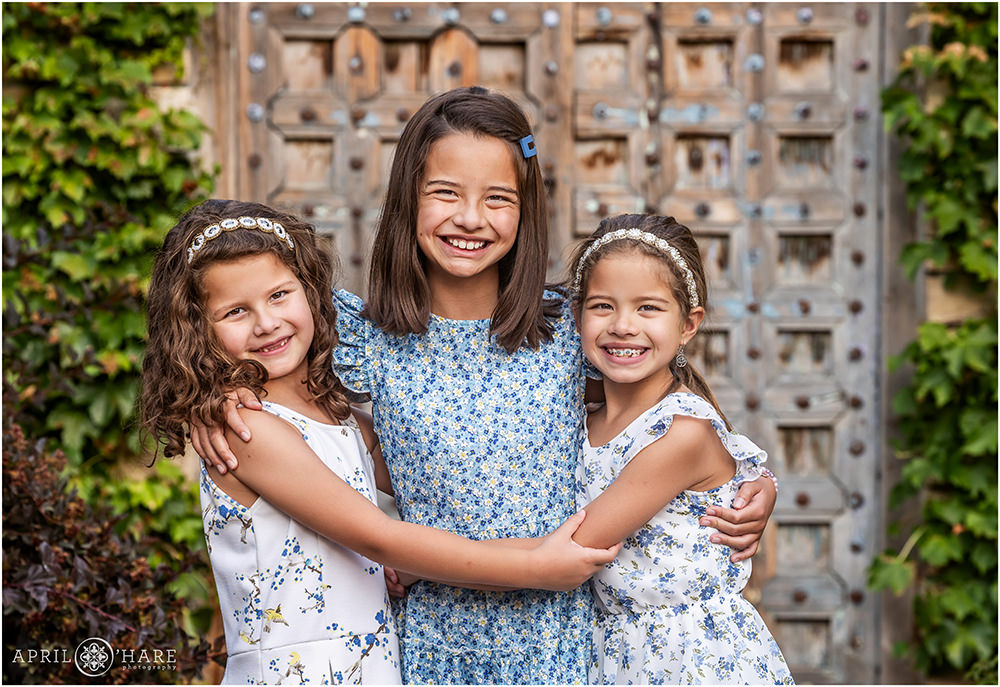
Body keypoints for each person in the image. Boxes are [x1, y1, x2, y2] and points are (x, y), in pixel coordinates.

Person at [194, 88, 777, 684]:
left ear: (526, 209)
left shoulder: (571, 330)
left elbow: (657, 425)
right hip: (432, 642)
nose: (470, 218)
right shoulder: (364, 338)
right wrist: (217, 399)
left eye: (497, 198)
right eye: (445, 193)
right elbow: (273, 368)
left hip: (560, 640)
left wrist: (752, 484)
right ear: (407, 200)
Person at [140, 199, 620, 685]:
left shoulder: (339, 417)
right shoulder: (246, 428)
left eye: (279, 295)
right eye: (236, 311)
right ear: (197, 331)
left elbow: (436, 477)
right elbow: (379, 537)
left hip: (370, 667)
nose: (266, 323)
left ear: (311, 292)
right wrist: (535, 567)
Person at [567, 214, 794, 684]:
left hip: (688, 658)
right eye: (602, 306)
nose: (622, 325)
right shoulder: (582, 417)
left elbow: (574, 546)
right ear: (577, 315)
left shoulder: (680, 432)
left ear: (689, 325)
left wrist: (426, 563)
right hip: (618, 650)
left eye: (648, 308)